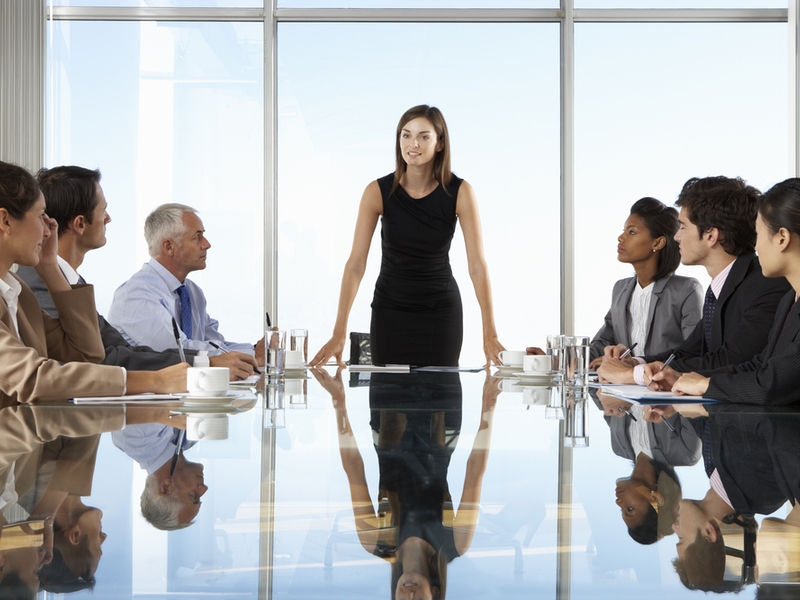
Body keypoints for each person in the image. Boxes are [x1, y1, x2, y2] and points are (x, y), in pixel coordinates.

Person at [16, 166, 258, 380]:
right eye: (104, 211)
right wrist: (204, 365)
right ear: (80, 224)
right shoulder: (39, 282)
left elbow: (120, 349)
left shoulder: (70, 280)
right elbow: (98, 360)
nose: (108, 218)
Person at [309, 105, 504, 367]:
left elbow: (477, 267)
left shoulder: (460, 192)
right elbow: (355, 265)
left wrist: (490, 335)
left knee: (440, 401)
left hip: (441, 313)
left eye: (424, 136)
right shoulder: (376, 192)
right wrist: (339, 332)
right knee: (388, 402)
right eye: (406, 135)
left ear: (440, 143)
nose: (413, 143)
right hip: (390, 311)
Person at [0, 160, 187, 405]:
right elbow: (33, 378)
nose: (48, 230)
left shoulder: (17, 292)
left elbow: (86, 356)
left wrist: (50, 270)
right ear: (5, 221)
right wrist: (153, 381)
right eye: (40, 216)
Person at [597, 176, 791, 388]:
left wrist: (634, 374)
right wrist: (636, 361)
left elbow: (732, 360)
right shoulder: (721, 286)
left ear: (711, 235)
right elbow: (688, 351)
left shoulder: (765, 284)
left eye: (683, 227)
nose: (677, 237)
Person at [663, 178, 800, 404]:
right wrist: (685, 377)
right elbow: (759, 365)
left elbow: (770, 385)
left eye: (759, 235)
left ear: (782, 238)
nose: (755, 247)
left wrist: (705, 384)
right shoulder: (789, 300)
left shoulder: (768, 288)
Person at [107, 203, 265, 363]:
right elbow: (179, 352)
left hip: (190, 386)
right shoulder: (137, 295)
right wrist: (253, 356)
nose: (207, 244)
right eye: (197, 236)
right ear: (169, 247)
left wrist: (255, 350)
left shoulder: (192, 291)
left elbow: (217, 346)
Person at [588, 197, 702, 366]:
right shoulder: (621, 288)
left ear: (658, 242)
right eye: (624, 231)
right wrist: (553, 359)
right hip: (624, 388)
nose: (621, 237)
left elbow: (695, 353)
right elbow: (601, 344)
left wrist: (637, 365)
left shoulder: (686, 290)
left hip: (666, 388)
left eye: (631, 232)